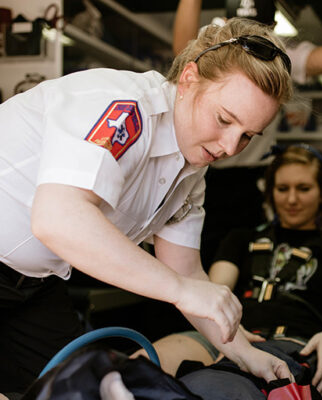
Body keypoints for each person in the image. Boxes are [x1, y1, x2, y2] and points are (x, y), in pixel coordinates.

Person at [0, 18, 295, 396]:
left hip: (33, 285)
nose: (229, 147)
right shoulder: (125, 109)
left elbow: (186, 271)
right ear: (189, 79)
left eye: (247, 136)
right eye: (224, 120)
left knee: (83, 389)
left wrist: (243, 353)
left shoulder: (189, 174)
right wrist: (178, 290)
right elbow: (58, 217)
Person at [133, 144, 322, 397]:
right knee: (139, 369)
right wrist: (227, 328)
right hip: (227, 334)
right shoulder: (241, 239)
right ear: (270, 192)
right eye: (283, 189)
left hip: (290, 342)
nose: (292, 199)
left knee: (216, 388)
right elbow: (216, 287)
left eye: (303, 189)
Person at [172, 0, 322, 267]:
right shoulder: (216, 49)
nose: (252, 45)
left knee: (245, 259)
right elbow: (182, 52)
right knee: (192, 253)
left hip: (250, 179)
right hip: (204, 170)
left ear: (273, 30)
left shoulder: (278, 56)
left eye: (261, 33)